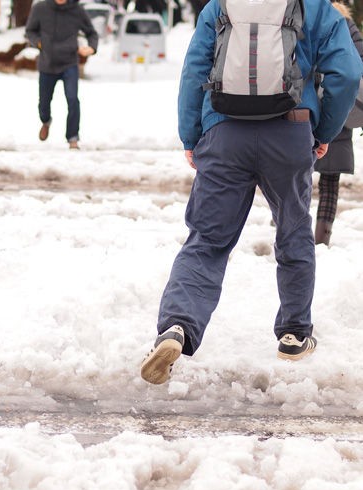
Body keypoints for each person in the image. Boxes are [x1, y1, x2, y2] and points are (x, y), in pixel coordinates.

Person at [140, 0, 362, 385]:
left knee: (207, 240)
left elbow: (194, 71)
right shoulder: (316, 8)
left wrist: (191, 134)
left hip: (224, 133)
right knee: (293, 231)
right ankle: (294, 334)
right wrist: (323, 130)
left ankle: (176, 326)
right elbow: (346, 72)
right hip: (290, 132)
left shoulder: (220, 5)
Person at [314, 1, 363, 246]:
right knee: (330, 179)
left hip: (306, 107)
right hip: (338, 106)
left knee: (292, 175)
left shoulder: (305, 19)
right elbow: (358, 64)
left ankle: (285, 223)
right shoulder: (346, 25)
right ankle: (321, 239)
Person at [26, 0, 99, 150]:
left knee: (72, 99)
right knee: (44, 103)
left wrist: (91, 47)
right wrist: (39, 43)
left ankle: (73, 137)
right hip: (47, 63)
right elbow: (30, 31)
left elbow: (91, 33)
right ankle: (46, 121)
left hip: (69, 63)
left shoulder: (77, 10)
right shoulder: (40, 8)